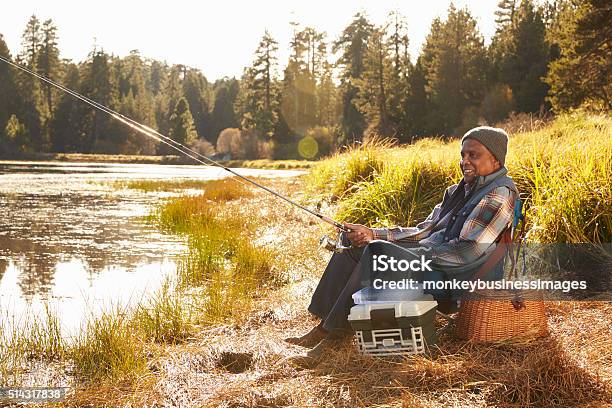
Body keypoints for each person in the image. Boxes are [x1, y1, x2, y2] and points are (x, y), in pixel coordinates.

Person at [286, 126, 519, 365]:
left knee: (377, 252)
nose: (465, 161)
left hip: (459, 277)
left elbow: (467, 252)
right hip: (434, 262)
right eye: (463, 155)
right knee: (351, 240)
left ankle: (333, 338)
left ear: (496, 159)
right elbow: (423, 230)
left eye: (474, 155)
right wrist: (371, 233)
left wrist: (412, 255)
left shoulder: (498, 194)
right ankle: (323, 324)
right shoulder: (458, 190)